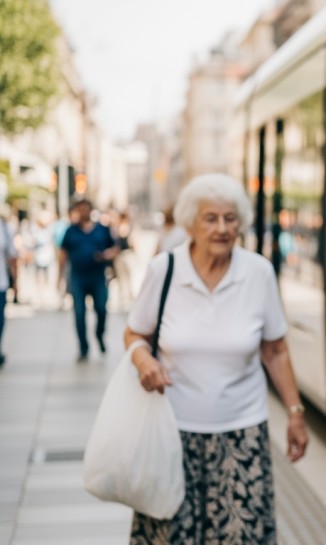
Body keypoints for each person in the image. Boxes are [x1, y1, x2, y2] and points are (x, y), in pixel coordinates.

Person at [124, 173, 308, 544]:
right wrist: (143, 360)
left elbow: (275, 349)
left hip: (242, 434)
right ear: (192, 222)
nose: (222, 228)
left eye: (230, 218)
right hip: (172, 433)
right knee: (172, 535)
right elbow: (134, 333)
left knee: (241, 535)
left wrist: (294, 413)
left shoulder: (258, 272)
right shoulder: (165, 270)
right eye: (211, 218)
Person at [58, 199, 118, 361]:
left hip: (98, 276)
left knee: (101, 308)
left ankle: (99, 335)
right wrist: (60, 278)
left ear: (90, 210)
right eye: (80, 209)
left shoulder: (102, 230)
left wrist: (106, 255)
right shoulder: (70, 231)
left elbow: (115, 248)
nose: (83, 212)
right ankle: (83, 346)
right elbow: (62, 254)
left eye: (86, 208)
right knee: (79, 313)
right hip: (78, 277)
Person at [0, 216, 17, 367]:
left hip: (1, 283)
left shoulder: (4, 227)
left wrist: (16, 282)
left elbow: (11, 256)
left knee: (0, 320)